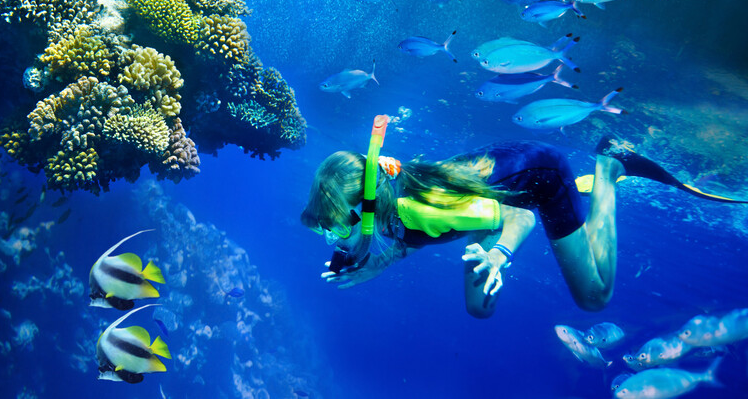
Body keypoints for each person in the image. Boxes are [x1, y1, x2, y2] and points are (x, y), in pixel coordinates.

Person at [300, 115, 745, 318]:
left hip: (539, 180)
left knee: (594, 297)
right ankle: (561, 195)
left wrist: (498, 257)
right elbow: (402, 240)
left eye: (338, 224)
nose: (337, 238)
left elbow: (521, 221)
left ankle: (608, 168)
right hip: (499, 169)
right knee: (480, 310)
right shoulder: (390, 195)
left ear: (368, 203)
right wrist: (373, 267)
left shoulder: (420, 207)